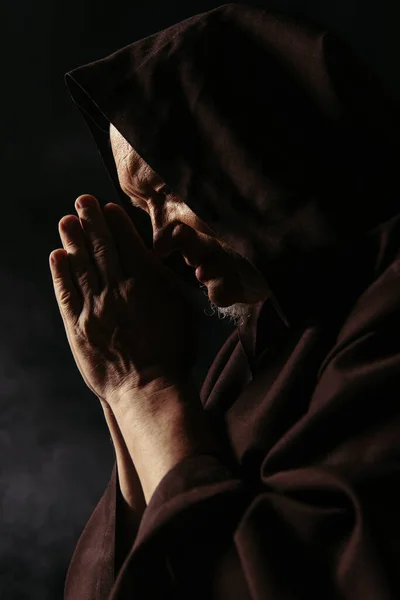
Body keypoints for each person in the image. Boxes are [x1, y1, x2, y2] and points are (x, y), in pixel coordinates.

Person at [50, 4, 400, 599]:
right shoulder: (259, 345)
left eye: (168, 191)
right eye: (141, 208)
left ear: (255, 149)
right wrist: (117, 389)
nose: (158, 241)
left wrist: (147, 386)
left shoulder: (385, 307)